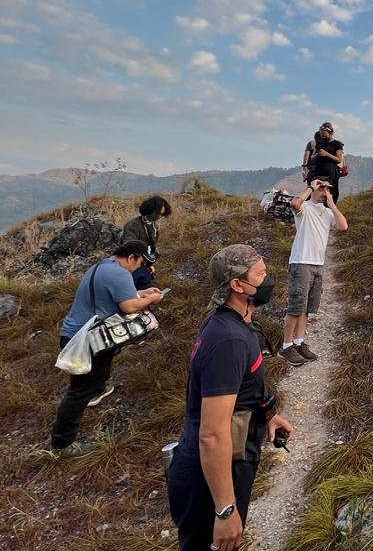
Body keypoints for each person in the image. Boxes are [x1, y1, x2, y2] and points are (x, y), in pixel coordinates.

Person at [166, 244, 294, 551]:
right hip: (207, 480)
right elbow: (211, 435)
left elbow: (243, 387)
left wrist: (268, 414)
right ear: (238, 285)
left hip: (226, 464)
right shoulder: (229, 341)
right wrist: (224, 509)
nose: (269, 280)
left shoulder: (235, 323)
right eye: (261, 275)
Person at [50, 240, 165, 457]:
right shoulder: (120, 273)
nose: (139, 267)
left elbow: (119, 295)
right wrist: (154, 299)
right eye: (139, 262)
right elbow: (128, 306)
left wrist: (142, 292)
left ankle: (98, 388)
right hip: (86, 340)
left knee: (97, 373)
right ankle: (62, 443)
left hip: (77, 334)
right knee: (79, 391)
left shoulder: (102, 267)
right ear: (131, 257)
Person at [279, 177, 348, 366]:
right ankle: (286, 346)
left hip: (318, 264)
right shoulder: (305, 208)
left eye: (328, 188)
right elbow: (294, 202)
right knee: (296, 307)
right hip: (301, 262)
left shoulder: (326, 212)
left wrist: (332, 204)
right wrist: (310, 187)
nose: (324, 191)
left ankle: (299, 343)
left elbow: (343, 225)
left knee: (307, 309)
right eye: (322, 188)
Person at [121, 195, 172, 289]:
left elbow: (152, 248)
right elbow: (128, 246)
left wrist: (149, 264)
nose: (159, 217)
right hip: (131, 267)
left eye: (161, 215)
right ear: (150, 210)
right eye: (158, 214)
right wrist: (142, 258)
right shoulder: (133, 225)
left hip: (143, 266)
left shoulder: (154, 227)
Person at [302, 122, 345, 202]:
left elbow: (339, 159)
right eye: (321, 135)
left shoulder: (337, 144)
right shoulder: (320, 143)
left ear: (330, 133)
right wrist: (317, 155)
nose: (323, 137)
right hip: (317, 173)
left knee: (328, 194)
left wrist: (327, 154)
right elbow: (311, 158)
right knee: (315, 194)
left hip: (330, 174)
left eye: (324, 135)